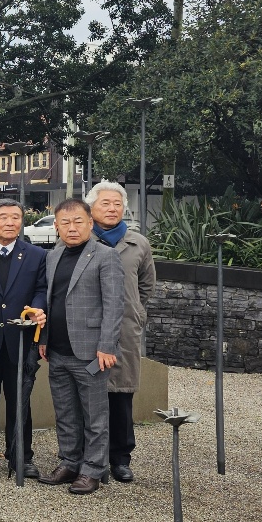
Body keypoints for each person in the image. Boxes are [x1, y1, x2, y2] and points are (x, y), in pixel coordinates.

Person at [38, 198, 125, 495]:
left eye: (78, 222)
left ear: (90, 223)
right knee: (65, 411)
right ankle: (70, 461)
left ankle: (93, 469)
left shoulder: (105, 256)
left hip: (91, 351)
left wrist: (107, 345)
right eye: (65, 222)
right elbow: (51, 300)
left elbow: (115, 305)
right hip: (57, 350)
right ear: (56, 226)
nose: (72, 228)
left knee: (95, 414)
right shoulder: (53, 255)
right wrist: (45, 338)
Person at [0, 199, 48, 479]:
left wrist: (37, 307)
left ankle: (21, 456)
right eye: (3, 217)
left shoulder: (36, 255)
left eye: (15, 217)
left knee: (20, 401)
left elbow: (41, 289)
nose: (9, 222)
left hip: (19, 339)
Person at [86, 180, 156, 483]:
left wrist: (136, 312)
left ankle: (121, 457)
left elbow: (146, 285)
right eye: (105, 203)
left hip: (125, 328)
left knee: (120, 394)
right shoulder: (79, 239)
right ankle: (89, 455)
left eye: (117, 203)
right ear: (91, 207)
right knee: (87, 393)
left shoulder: (138, 243)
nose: (112, 208)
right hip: (87, 327)